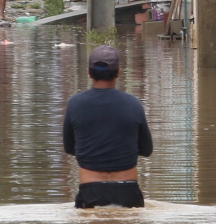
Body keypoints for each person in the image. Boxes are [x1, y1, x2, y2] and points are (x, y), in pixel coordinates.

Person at [63, 45, 153, 209]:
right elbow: (146, 149)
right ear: (118, 72)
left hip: (90, 191)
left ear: (89, 73)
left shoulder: (75, 103)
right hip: (128, 191)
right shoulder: (133, 104)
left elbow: (69, 147)